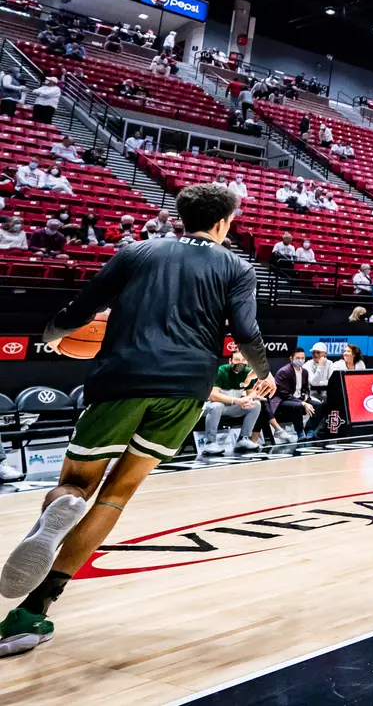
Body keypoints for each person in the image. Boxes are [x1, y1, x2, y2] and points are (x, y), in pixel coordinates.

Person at [0, 183, 272, 657]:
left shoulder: (139, 250)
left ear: (183, 216)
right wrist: (265, 374)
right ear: (226, 222)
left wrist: (52, 334)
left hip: (122, 378)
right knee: (118, 492)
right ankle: (36, 607)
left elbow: (81, 310)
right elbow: (245, 332)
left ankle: (58, 514)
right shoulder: (237, 266)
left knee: (77, 484)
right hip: (185, 390)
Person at [200, 349, 263, 455]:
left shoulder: (248, 372)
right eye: (237, 359)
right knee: (217, 406)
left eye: (243, 360)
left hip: (232, 407)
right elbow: (213, 396)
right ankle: (210, 442)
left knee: (256, 405)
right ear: (230, 361)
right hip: (210, 407)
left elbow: (252, 393)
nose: (240, 362)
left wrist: (249, 398)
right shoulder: (221, 371)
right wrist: (236, 400)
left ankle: (243, 439)